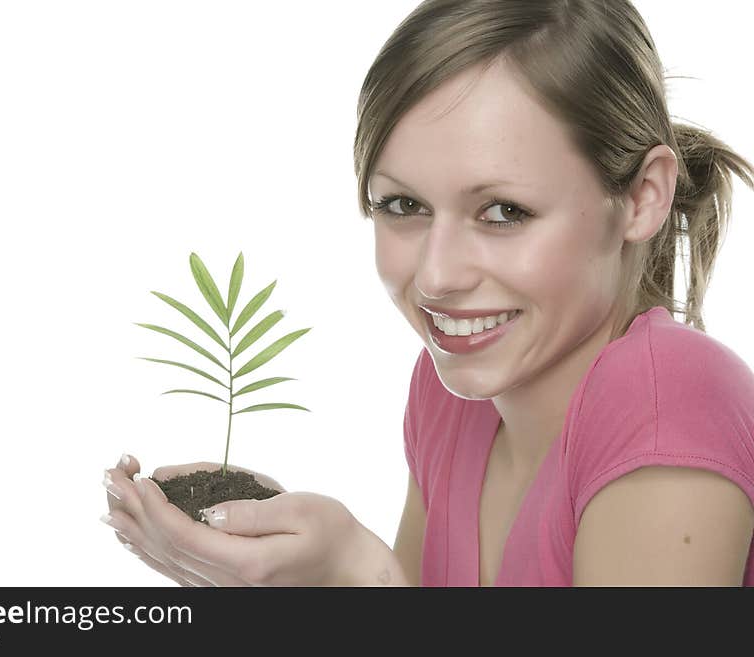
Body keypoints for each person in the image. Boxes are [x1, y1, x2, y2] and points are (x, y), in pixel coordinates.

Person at [100, 0, 754, 586]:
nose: (438, 276)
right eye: (402, 203)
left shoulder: (668, 406)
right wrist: (293, 569)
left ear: (642, 199)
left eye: (504, 211)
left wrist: (358, 574)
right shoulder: (451, 397)